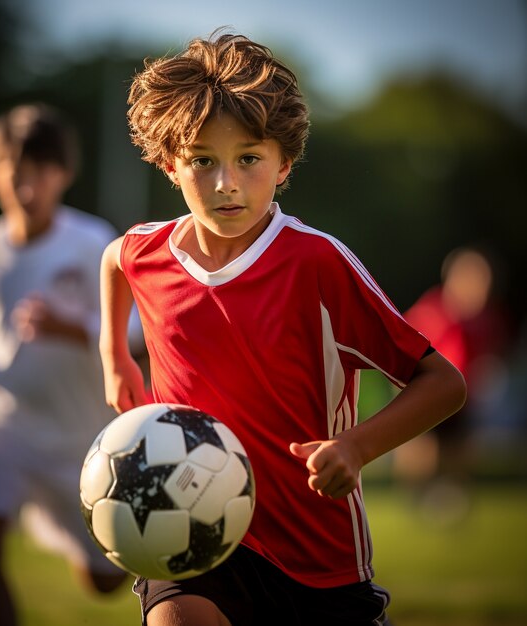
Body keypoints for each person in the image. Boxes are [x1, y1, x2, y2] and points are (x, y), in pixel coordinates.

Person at [98, 29, 467, 626]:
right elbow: (115, 259)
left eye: (248, 158)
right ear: (171, 166)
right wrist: (114, 355)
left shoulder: (318, 263)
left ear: (284, 163)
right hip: (187, 526)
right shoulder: (150, 250)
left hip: (316, 556)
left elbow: (444, 383)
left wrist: (356, 446)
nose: (226, 183)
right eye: (202, 161)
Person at [0, 103, 145, 626]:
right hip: (1, 417)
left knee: (106, 581)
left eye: (41, 172)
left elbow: (135, 329)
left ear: (63, 173)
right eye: (15, 173)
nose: (28, 188)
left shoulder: (93, 243)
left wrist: (70, 327)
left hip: (79, 430)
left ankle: (57, 526)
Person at [394, 246, 513, 515]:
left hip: (463, 399)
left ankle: (451, 501)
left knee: (458, 453)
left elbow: (492, 354)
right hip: (428, 393)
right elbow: (403, 348)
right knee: (421, 451)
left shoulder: (486, 319)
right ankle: (418, 500)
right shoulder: (433, 312)